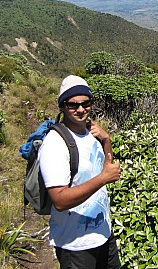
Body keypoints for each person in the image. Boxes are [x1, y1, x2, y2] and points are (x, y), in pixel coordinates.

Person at [39, 75, 122, 269]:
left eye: (86, 103)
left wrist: (106, 140)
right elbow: (59, 200)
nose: (81, 109)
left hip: (103, 233)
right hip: (75, 245)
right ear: (62, 107)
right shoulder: (55, 143)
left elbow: (106, 167)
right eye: (73, 105)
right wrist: (102, 179)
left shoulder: (91, 133)